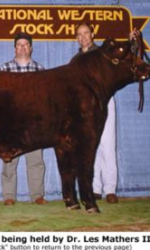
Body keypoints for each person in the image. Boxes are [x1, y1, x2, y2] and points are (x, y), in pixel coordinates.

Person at [0, 32, 48, 206]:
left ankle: (37, 195)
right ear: (14, 48)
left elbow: (44, 100)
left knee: (35, 160)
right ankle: (8, 196)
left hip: (34, 123)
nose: (22, 48)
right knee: (9, 160)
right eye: (19, 45)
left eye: (25, 45)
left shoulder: (40, 70)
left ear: (31, 48)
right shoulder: (4, 70)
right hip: (11, 123)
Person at [73, 22, 119, 203]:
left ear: (93, 34)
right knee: (90, 145)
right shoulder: (75, 60)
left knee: (107, 143)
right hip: (83, 105)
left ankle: (110, 189)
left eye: (86, 33)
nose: (83, 37)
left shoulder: (104, 54)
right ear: (76, 38)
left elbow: (120, 58)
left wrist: (131, 41)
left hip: (103, 101)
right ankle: (95, 187)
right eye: (79, 34)